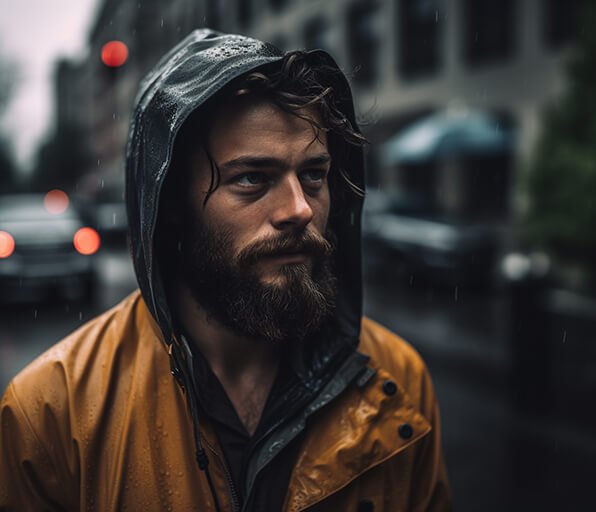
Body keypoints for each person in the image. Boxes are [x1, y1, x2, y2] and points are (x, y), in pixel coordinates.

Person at [0, 29, 451, 511]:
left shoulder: (397, 380)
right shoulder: (52, 412)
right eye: (253, 178)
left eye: (313, 175)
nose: (299, 209)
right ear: (170, 200)